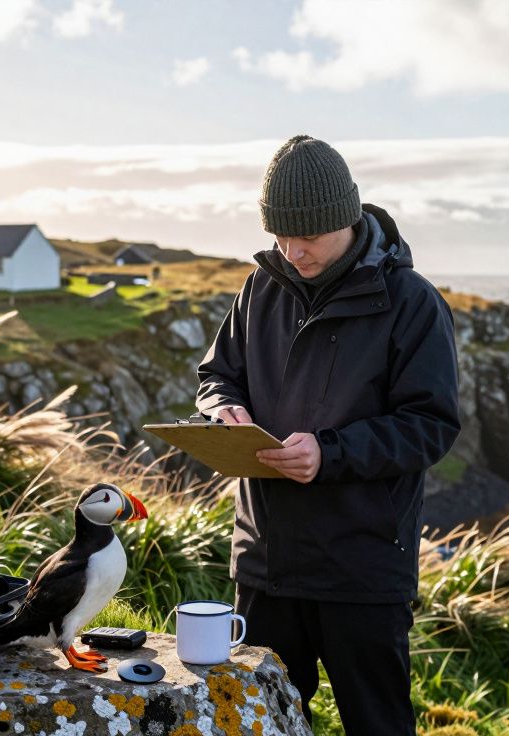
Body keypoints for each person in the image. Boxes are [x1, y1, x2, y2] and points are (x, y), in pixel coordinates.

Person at [194, 134, 461, 734]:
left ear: (344, 218)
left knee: (378, 726)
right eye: (280, 236)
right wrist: (222, 413)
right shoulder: (259, 288)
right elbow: (216, 376)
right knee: (259, 724)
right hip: (266, 563)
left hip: (362, 570)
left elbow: (431, 426)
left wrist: (331, 453)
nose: (293, 251)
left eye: (306, 236)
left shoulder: (412, 303)